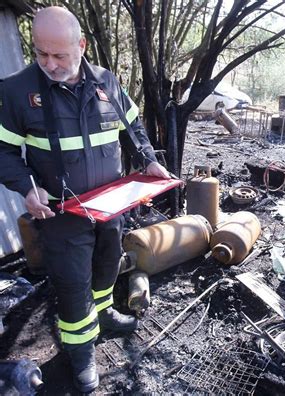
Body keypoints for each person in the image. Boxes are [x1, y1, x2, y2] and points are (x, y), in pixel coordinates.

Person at [0, 6, 170, 393]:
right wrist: (27, 187)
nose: (49, 63)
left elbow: (133, 125)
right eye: (41, 53)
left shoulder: (106, 81)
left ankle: (105, 311)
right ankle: (81, 353)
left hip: (111, 204)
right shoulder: (15, 91)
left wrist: (149, 161)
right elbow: (3, 152)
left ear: (82, 45)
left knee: (108, 266)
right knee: (74, 287)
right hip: (61, 214)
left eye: (60, 55)